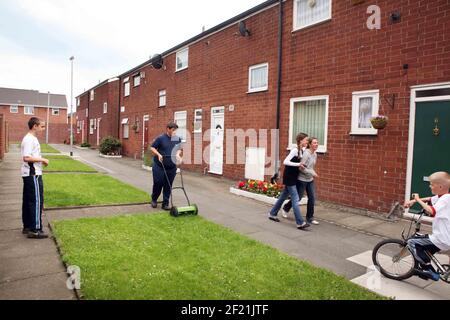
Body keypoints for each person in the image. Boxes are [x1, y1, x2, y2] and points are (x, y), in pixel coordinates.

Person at [404, 171, 450, 281]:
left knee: (412, 242)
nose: (430, 186)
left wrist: (418, 199)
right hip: (445, 236)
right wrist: (412, 201)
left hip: (441, 238)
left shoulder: (445, 199)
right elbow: (430, 199)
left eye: (432, 184)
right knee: (424, 244)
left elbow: (432, 211)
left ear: (440, 186)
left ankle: (429, 271)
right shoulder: (443, 197)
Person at [268, 133, 310, 230]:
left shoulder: (302, 151)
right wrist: (299, 164)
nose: (307, 141)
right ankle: (300, 223)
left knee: (283, 197)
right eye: (306, 140)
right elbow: (285, 162)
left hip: (293, 177)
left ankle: (272, 213)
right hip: (289, 177)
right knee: (295, 199)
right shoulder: (295, 150)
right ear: (301, 141)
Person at [21, 117, 49, 239]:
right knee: (36, 201)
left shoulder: (31, 139)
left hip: (29, 174)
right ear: (34, 126)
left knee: (28, 201)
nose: (43, 129)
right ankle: (35, 229)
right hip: (33, 174)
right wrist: (43, 159)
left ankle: (27, 226)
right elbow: (26, 158)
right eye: (42, 126)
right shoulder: (29, 139)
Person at [283, 137, 320, 225]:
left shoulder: (315, 154)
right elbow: (301, 168)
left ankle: (310, 218)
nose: (317, 144)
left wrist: (313, 173)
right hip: (302, 179)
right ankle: (286, 208)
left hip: (310, 179)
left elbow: (311, 167)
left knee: (312, 198)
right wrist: (312, 173)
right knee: (298, 198)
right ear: (310, 144)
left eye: (317, 143)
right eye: (314, 143)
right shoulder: (306, 154)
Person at [150, 122, 183, 211]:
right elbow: (152, 148)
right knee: (158, 183)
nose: (175, 132)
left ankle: (165, 203)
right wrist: (159, 154)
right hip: (159, 166)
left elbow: (179, 149)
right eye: (173, 130)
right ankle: (154, 199)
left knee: (168, 185)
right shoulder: (161, 138)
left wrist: (177, 155)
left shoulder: (177, 139)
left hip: (171, 167)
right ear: (168, 129)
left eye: (176, 130)